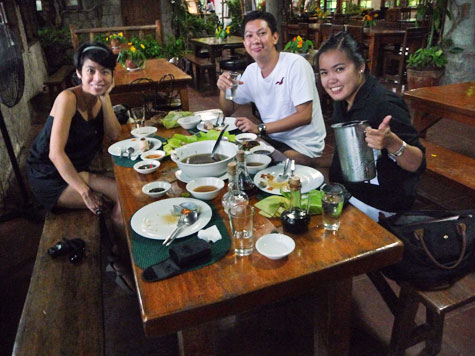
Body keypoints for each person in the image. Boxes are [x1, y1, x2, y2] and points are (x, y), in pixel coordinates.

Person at [27, 42, 134, 293]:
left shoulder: (98, 97)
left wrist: (105, 97)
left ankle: (120, 249)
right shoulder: (67, 98)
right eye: (91, 71)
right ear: (78, 72)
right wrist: (85, 191)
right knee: (120, 199)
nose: (98, 77)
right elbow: (55, 153)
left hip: (76, 169)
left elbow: (114, 133)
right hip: (50, 175)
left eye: (105, 71)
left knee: (124, 195)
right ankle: (123, 264)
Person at [316, 32, 426, 221]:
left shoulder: (385, 105)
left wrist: (392, 142)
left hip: (378, 206)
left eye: (339, 69)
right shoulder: (343, 101)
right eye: (325, 72)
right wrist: (310, 162)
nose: (331, 79)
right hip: (347, 194)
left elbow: (417, 164)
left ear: (360, 67)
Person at [217, 11, 326, 167]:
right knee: (233, 154)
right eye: (249, 36)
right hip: (271, 139)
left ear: (275, 37)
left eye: (261, 33)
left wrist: (260, 128)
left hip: (301, 145)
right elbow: (228, 109)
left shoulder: (295, 64)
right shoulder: (251, 71)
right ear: (244, 42)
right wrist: (223, 90)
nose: (255, 40)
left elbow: (304, 115)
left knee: (267, 166)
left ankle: (315, 164)